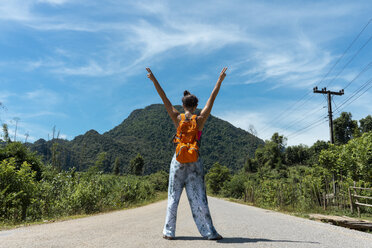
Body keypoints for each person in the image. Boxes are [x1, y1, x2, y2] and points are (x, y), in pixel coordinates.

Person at [146, 67, 227, 240]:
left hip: (178, 160)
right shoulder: (200, 119)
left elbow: (164, 99)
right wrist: (219, 80)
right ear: (196, 105)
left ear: (182, 105)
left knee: (172, 197)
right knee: (199, 198)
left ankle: (169, 232)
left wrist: (154, 79)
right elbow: (211, 100)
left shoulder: (177, 117)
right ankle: (209, 233)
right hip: (195, 161)